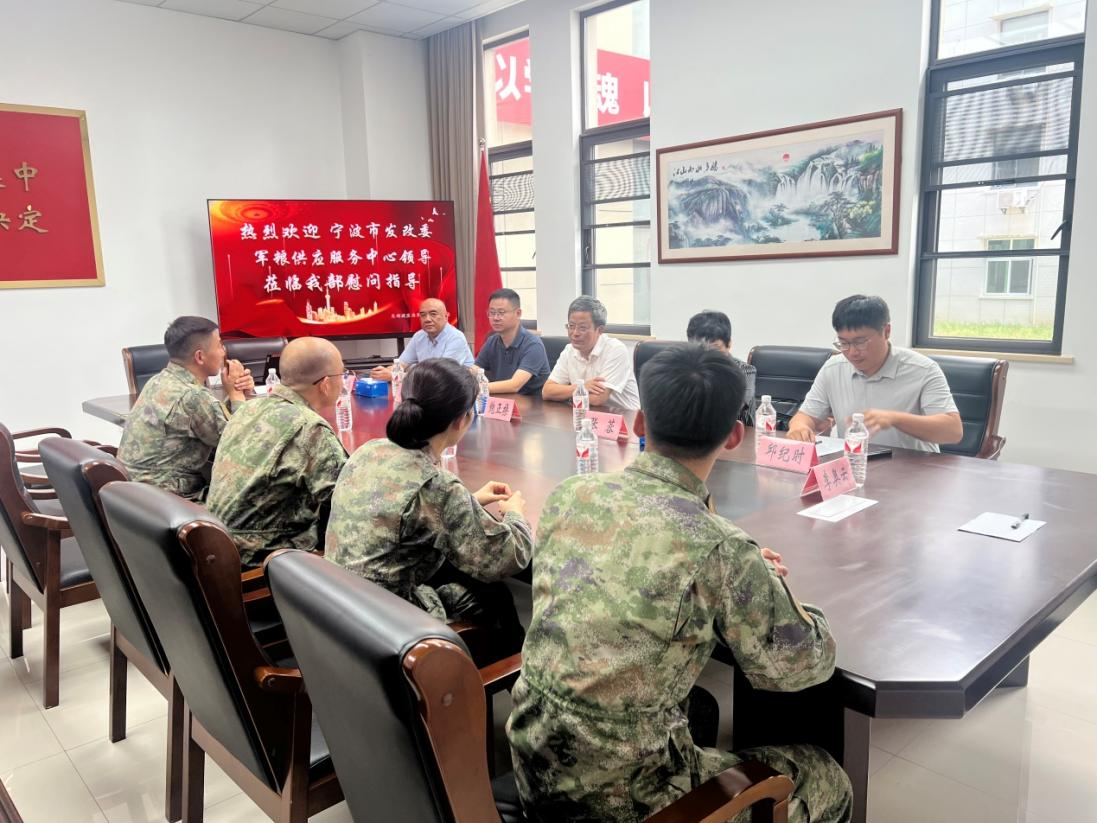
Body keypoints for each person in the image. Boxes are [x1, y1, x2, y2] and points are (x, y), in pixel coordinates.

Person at [508, 344, 852, 823]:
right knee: (826, 778)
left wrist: (737, 566)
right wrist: (768, 584)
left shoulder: (572, 494)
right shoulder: (720, 548)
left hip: (533, 764)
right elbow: (799, 666)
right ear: (734, 436)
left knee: (700, 708)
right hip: (624, 803)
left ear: (639, 422)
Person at [326, 357, 532, 650]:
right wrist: (515, 515)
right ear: (462, 419)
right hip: (390, 625)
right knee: (494, 593)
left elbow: (402, 510)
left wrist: (469, 501)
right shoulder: (438, 486)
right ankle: (505, 669)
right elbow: (506, 558)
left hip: (343, 606)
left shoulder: (370, 450)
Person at [207, 337, 348, 569]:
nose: (343, 382)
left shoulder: (249, 408)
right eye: (341, 374)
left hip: (220, 548)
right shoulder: (310, 428)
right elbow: (347, 501)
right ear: (325, 384)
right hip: (265, 560)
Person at [787, 295, 962, 452]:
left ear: (886, 332)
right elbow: (805, 416)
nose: (852, 352)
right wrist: (799, 428)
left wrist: (895, 419)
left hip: (913, 470)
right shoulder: (833, 368)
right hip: (854, 464)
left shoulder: (923, 370)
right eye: (844, 343)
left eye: (861, 342)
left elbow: (953, 431)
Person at [118, 316, 254, 500]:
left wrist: (238, 393)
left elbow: (212, 420)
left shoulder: (159, 380)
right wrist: (237, 395)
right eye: (219, 345)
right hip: (168, 502)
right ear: (200, 356)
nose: (224, 352)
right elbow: (242, 443)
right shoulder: (192, 396)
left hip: (133, 497)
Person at [541, 295, 640, 410]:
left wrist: (565, 393)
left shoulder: (615, 350)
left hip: (623, 417)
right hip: (586, 414)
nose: (575, 333)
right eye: (571, 326)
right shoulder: (569, 350)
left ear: (600, 330)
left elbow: (597, 399)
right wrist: (581, 387)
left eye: (582, 328)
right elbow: (547, 391)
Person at [370, 298, 473, 381]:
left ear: (446, 317)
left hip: (455, 391)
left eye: (433, 314)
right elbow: (401, 364)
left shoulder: (456, 338)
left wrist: (396, 376)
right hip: (429, 389)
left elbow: (441, 375)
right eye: (423, 315)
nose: (427, 319)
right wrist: (384, 372)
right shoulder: (419, 336)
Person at [475, 288, 551, 395]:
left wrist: (475, 388)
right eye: (492, 313)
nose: (495, 318)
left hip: (531, 403)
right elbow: (475, 369)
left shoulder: (533, 345)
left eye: (501, 313)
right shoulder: (492, 341)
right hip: (502, 401)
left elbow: (514, 385)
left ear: (518, 313)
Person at [686, 309, 757, 423]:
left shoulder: (745, 371)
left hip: (738, 431)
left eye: (715, 348)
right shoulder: (685, 368)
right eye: (700, 348)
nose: (707, 354)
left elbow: (732, 409)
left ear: (729, 344)